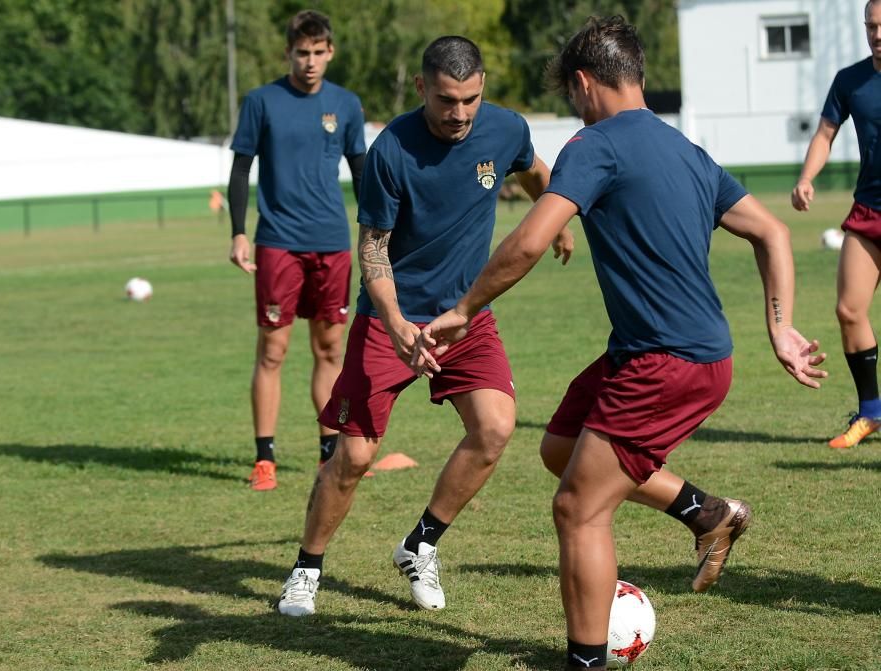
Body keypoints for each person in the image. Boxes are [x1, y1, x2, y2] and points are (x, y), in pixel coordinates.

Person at [414, 17, 825, 671]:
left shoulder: (592, 144)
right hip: (664, 351)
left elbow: (526, 241)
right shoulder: (684, 147)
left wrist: (464, 308)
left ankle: (585, 662)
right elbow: (772, 232)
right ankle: (707, 512)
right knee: (560, 449)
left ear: (583, 83)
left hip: (666, 360)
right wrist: (779, 325)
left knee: (579, 507)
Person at [275, 35, 575, 617]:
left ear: (482, 86)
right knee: (355, 456)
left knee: (494, 428)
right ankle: (306, 569)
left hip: (466, 317)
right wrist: (395, 326)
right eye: (445, 100)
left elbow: (534, 170)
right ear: (421, 88)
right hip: (391, 319)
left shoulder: (504, 128)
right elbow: (374, 251)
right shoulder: (391, 151)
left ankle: (420, 544)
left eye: (469, 99)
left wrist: (554, 220)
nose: (459, 113)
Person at [228, 10, 367, 491]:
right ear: (288, 53)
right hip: (278, 243)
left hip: (332, 242)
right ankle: (264, 458)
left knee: (329, 349)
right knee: (273, 350)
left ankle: (329, 452)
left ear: (330, 52)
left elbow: (361, 168)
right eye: (301, 53)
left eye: (318, 52)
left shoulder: (346, 104)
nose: (310, 62)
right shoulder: (261, 101)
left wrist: (380, 228)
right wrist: (238, 232)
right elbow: (241, 169)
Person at [792, 0, 881, 449]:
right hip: (869, 212)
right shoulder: (851, 81)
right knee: (849, 310)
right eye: (871, 26)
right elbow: (826, 133)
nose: (878, 34)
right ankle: (871, 413)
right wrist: (807, 178)